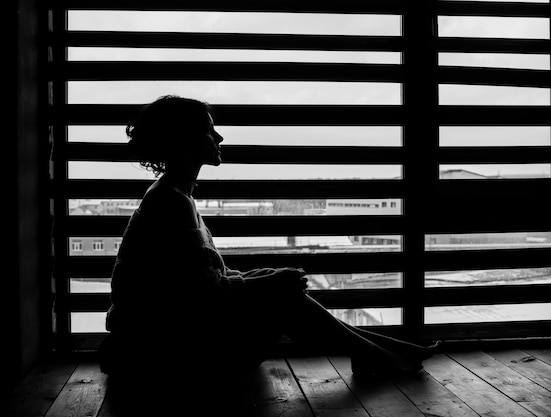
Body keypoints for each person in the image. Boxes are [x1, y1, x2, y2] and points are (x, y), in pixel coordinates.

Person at [98, 95, 440, 388]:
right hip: (163, 359)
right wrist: (272, 282)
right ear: (186, 140)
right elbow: (203, 297)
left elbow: (199, 284)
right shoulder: (172, 202)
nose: (219, 135)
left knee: (278, 284)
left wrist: (268, 277)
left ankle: (384, 352)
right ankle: (381, 355)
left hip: (158, 345)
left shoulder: (173, 195)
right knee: (284, 296)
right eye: (208, 129)